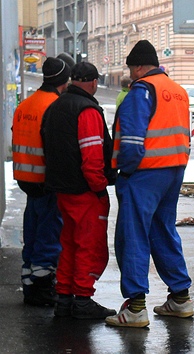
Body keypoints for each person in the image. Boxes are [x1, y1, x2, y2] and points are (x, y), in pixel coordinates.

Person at [106, 40, 193, 328]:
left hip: (142, 174)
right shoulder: (178, 92)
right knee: (163, 231)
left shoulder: (141, 91)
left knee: (133, 236)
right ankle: (180, 298)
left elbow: (131, 143)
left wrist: (125, 172)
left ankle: (135, 308)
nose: (131, 74)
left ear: (140, 66)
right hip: (173, 170)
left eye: (132, 68)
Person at [41, 61, 117, 319]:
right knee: (89, 246)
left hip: (61, 190)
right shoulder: (87, 111)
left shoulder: (55, 107)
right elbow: (92, 157)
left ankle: (64, 299)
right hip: (85, 192)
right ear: (94, 82)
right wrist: (99, 187)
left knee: (69, 244)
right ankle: (83, 300)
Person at [12, 55, 73, 306]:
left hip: (26, 179)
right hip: (46, 180)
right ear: (63, 80)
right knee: (48, 235)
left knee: (33, 231)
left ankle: (29, 280)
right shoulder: (55, 106)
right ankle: (41, 285)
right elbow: (56, 147)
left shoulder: (25, 105)